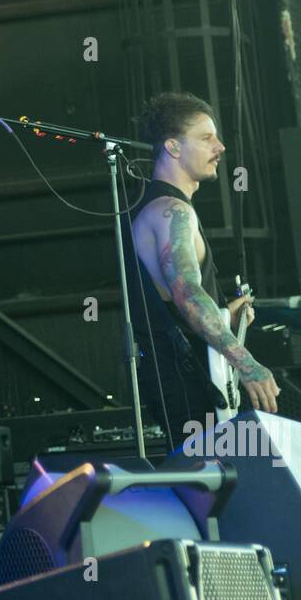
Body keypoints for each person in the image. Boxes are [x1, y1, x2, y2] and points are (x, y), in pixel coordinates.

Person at [124, 92, 281, 441]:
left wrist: (224, 315)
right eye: (206, 138)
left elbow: (178, 298)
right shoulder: (172, 212)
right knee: (211, 486)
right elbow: (187, 294)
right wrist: (248, 364)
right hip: (183, 378)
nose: (220, 147)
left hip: (188, 373)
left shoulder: (170, 208)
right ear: (173, 147)